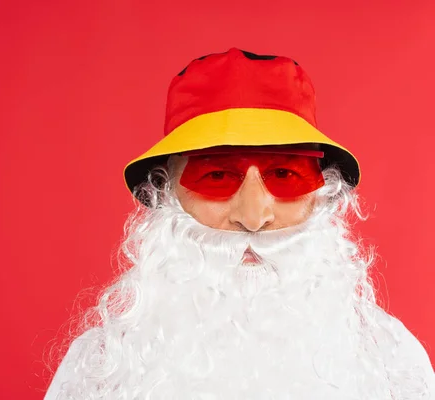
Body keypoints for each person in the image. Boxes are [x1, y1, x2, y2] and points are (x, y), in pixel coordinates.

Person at [44, 47, 435, 399]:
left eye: (284, 174)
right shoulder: (100, 369)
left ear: (323, 194)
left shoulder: (391, 360)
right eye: (216, 177)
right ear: (165, 194)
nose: (253, 217)